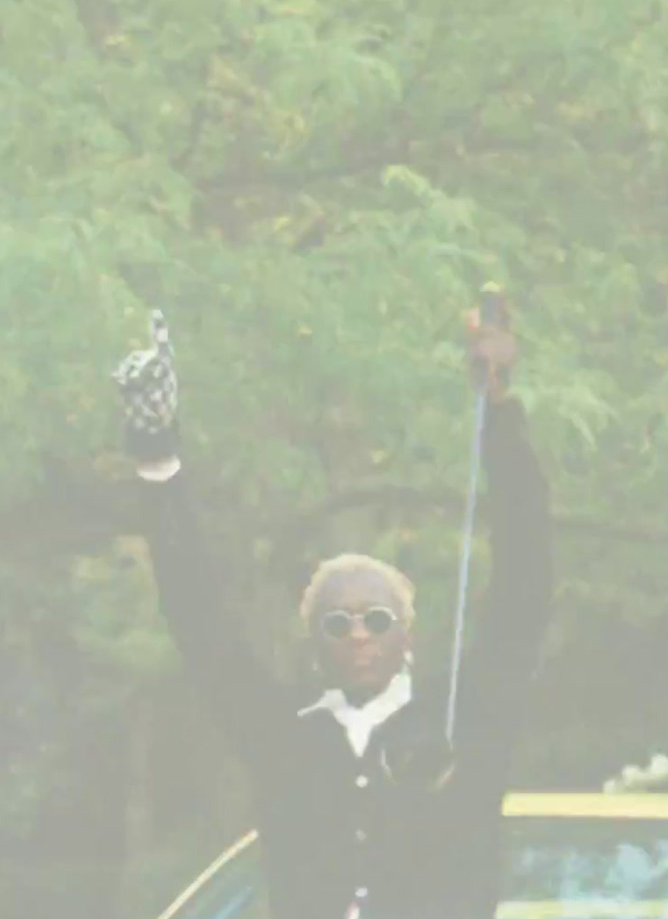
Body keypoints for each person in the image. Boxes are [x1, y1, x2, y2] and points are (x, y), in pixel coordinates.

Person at [112, 298, 553, 919]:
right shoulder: (282, 734)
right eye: (336, 623)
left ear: (407, 635)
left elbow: (525, 589)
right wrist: (157, 464)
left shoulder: (465, 718)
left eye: (377, 620)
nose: (358, 635)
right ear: (313, 642)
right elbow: (199, 623)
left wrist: (501, 414)